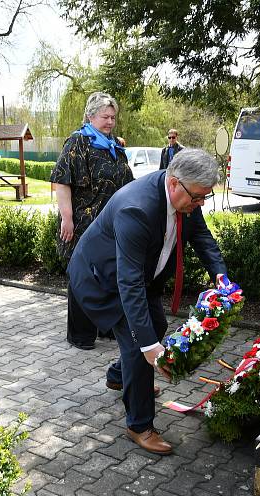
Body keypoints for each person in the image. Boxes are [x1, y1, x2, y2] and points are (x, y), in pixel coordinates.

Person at [68, 149, 227, 454]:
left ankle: (119, 377)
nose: (201, 204)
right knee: (138, 341)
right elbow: (128, 283)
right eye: (197, 198)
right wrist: (149, 347)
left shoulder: (187, 197)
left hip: (137, 275)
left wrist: (221, 279)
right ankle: (139, 425)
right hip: (101, 279)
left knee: (156, 324)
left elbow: (203, 240)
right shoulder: (136, 209)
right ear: (174, 184)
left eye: (205, 197)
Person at [51, 91, 133, 351]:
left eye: (112, 117)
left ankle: (106, 327)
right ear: (90, 116)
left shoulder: (114, 146)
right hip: (84, 222)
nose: (110, 121)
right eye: (104, 117)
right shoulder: (77, 143)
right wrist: (67, 218)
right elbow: (62, 181)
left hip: (111, 223)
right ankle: (81, 334)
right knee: (82, 277)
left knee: (108, 274)